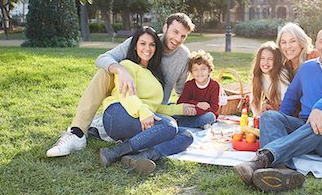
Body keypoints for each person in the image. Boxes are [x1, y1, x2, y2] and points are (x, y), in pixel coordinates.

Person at [46, 13, 196, 158]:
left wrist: (205, 94)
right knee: (106, 71)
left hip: (155, 110)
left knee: (188, 133)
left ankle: (143, 155)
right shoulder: (141, 43)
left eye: (183, 36)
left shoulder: (180, 58)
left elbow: (182, 90)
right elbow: (104, 59)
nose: (177, 39)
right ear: (165, 28)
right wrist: (120, 70)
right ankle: (77, 132)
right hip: (128, 106)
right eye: (175, 32)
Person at [235, 27, 322, 192]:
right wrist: (276, 124)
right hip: (306, 127)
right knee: (270, 117)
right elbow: (290, 99)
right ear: (316, 44)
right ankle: (282, 170)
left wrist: (320, 108)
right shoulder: (307, 68)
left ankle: (263, 159)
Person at [97, 27, 192, 174]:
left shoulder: (155, 74)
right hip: (117, 113)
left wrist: (180, 109)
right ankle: (115, 151)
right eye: (143, 43)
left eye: (152, 44)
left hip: (141, 117)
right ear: (135, 46)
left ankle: (142, 156)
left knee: (186, 136)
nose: (147, 48)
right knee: (170, 126)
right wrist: (142, 111)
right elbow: (126, 95)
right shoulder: (127, 65)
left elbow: (155, 107)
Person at [175, 50, 220, 129]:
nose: (199, 72)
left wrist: (196, 110)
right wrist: (197, 104)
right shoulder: (189, 84)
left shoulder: (214, 85)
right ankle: (199, 124)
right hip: (190, 113)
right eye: (196, 69)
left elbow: (214, 108)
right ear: (191, 72)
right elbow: (180, 102)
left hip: (205, 114)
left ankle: (180, 123)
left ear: (209, 70)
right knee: (172, 110)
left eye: (203, 69)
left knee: (210, 117)